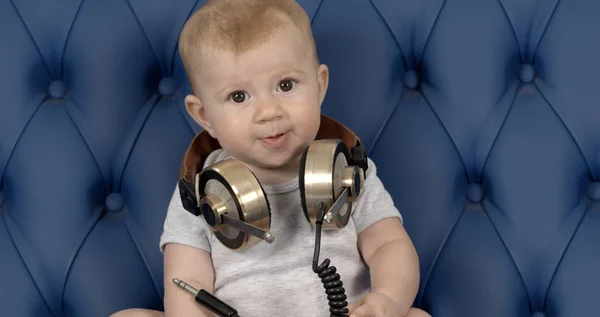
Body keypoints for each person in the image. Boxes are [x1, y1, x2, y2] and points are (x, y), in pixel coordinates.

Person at [112, 0, 430, 316]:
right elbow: (186, 282)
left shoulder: (347, 171)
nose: (268, 112)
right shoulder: (200, 193)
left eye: (285, 85)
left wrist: (386, 300)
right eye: (239, 96)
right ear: (204, 115)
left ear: (319, 86)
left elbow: (389, 245)